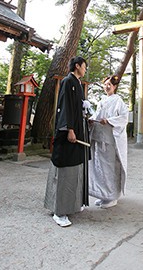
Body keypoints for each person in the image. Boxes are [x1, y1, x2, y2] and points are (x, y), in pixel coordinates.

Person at [44, 56, 90, 227]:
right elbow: (65, 106)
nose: (85, 69)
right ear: (77, 66)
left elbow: (76, 107)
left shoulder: (77, 83)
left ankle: (71, 205)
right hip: (69, 133)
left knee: (75, 169)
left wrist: (85, 109)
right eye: (84, 66)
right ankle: (59, 211)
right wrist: (69, 128)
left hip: (77, 131)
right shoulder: (67, 81)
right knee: (64, 171)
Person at [89, 75, 129, 209]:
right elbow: (97, 115)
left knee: (110, 168)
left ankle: (112, 197)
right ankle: (103, 195)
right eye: (105, 84)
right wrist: (91, 119)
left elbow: (124, 118)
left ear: (115, 86)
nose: (106, 87)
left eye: (109, 85)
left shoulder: (118, 101)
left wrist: (109, 121)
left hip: (111, 140)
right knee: (100, 168)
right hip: (100, 138)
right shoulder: (102, 100)